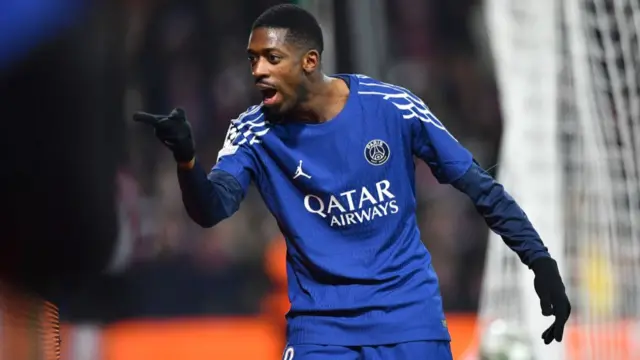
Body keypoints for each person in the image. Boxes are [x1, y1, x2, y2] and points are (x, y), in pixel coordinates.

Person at [134, 4, 571, 359]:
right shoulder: (253, 132)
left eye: (272, 59)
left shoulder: (392, 108)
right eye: (253, 60)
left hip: (408, 320)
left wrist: (541, 263)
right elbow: (212, 209)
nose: (259, 72)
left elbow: (481, 188)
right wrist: (188, 161)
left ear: (309, 62)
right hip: (322, 332)